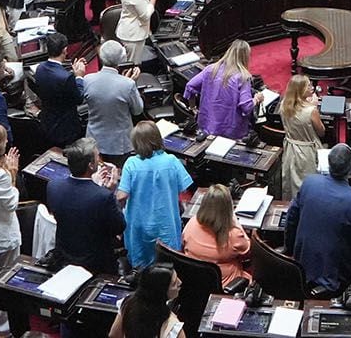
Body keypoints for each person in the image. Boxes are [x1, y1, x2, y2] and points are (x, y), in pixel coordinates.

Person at [286, 144, 351, 294]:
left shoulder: (309, 183)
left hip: (300, 265)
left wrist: (289, 249)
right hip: (336, 278)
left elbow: (291, 218)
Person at [119, 120, 193, 267]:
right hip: (166, 223)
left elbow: (122, 196)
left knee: (141, 269)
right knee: (166, 266)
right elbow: (184, 188)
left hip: (138, 224)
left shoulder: (131, 163)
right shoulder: (171, 161)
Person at [49, 138, 125, 274]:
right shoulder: (103, 196)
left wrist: (95, 187)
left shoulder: (53, 186)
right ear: (91, 165)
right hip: (96, 264)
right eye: (97, 157)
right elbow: (119, 226)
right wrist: (109, 193)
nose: (99, 160)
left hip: (64, 258)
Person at [85, 41, 144, 164]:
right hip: (119, 145)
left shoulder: (87, 79)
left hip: (94, 141)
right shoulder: (128, 84)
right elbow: (138, 110)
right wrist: (130, 85)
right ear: (122, 58)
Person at [185, 40, 256, 140]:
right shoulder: (242, 77)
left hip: (207, 127)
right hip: (231, 132)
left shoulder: (210, 69)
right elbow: (246, 106)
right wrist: (256, 99)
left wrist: (193, 108)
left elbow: (190, 86)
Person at [183, 184, 252, 284]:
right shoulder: (234, 234)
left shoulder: (192, 222)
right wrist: (234, 220)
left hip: (194, 280)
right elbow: (248, 250)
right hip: (225, 285)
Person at [31, 32, 88, 145]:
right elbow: (79, 98)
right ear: (65, 50)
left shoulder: (40, 68)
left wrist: (73, 73)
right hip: (66, 128)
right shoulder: (66, 78)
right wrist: (79, 77)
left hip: (47, 122)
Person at [278, 74, 325, 199]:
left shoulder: (284, 105)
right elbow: (321, 132)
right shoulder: (311, 111)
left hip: (290, 149)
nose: (312, 87)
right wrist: (313, 105)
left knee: (291, 181)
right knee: (308, 184)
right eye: (308, 85)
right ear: (301, 90)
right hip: (307, 152)